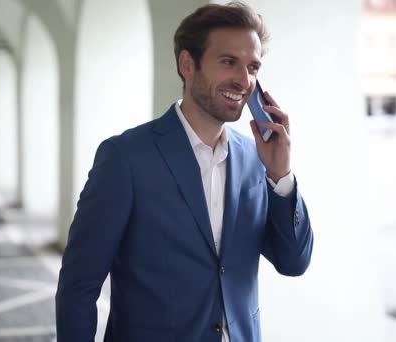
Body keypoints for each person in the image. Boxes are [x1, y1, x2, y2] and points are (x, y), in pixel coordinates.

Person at [56, 2, 314, 341]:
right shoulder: (125, 158)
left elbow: (293, 262)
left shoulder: (256, 159)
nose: (244, 80)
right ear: (187, 64)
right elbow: (79, 285)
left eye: (253, 67)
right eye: (228, 62)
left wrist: (281, 178)